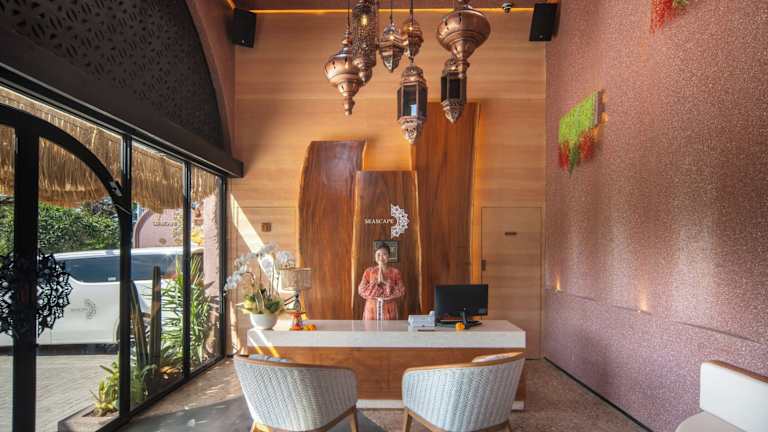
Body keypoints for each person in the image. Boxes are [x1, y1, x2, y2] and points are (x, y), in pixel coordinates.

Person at [358, 243, 405, 320]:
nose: (381, 257)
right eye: (378, 254)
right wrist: (376, 284)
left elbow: (401, 290)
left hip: (389, 308)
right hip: (371, 308)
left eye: (384, 254)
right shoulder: (368, 271)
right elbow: (361, 290)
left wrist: (387, 283)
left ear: (389, 256)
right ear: (375, 256)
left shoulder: (395, 272)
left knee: (389, 327)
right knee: (370, 327)